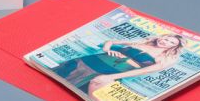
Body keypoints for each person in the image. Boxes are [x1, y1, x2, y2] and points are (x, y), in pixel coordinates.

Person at [55, 34, 184, 94]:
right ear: (161, 37)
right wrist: (107, 49)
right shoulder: (141, 43)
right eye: (166, 38)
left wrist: (112, 77)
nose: (165, 42)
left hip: (109, 72)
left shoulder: (164, 58)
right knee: (58, 76)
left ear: (174, 48)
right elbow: (111, 41)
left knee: (74, 91)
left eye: (171, 42)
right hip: (91, 60)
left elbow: (142, 71)